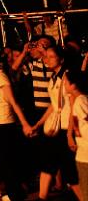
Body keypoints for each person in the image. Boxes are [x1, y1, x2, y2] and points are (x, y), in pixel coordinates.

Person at [0, 47, 34, 201]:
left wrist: (25, 124)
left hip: (5, 124)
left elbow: (13, 102)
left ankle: (15, 195)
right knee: (4, 161)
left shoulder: (1, 77)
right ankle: (14, 193)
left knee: (8, 162)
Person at [32, 46, 78, 201]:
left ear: (61, 59)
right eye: (47, 56)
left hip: (65, 128)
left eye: (52, 56)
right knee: (48, 164)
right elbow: (54, 104)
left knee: (70, 171)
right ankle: (42, 197)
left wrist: (70, 133)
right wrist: (39, 123)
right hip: (56, 129)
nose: (47, 59)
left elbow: (73, 105)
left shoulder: (67, 77)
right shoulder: (53, 77)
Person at [67, 70, 87, 201]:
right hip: (82, 153)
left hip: (85, 155)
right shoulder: (79, 100)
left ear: (73, 85)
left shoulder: (81, 101)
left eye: (66, 83)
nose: (64, 85)